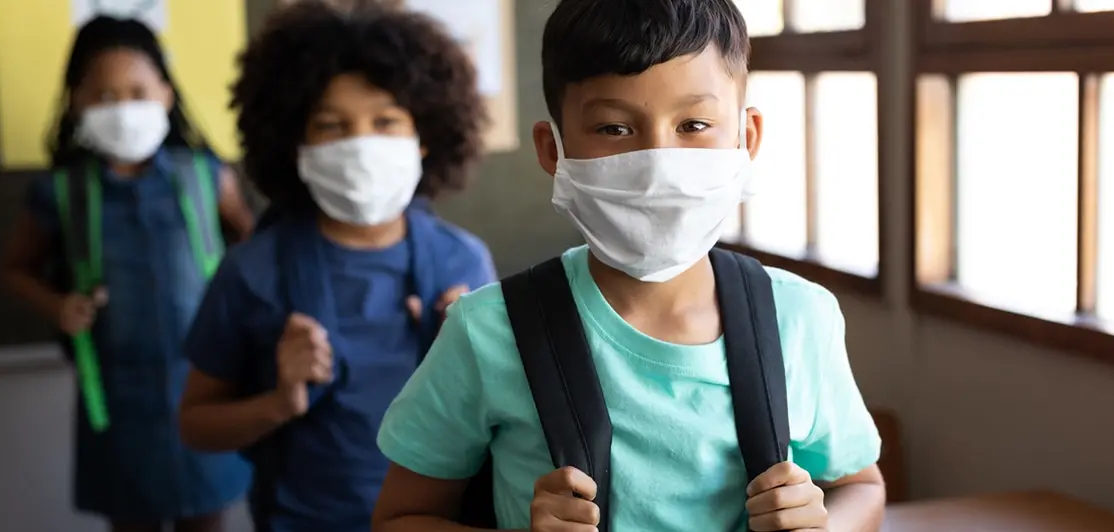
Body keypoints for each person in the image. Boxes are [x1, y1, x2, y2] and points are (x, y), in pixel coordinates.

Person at [370, 0, 887, 531]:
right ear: (554, 148)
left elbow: (861, 486)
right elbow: (401, 517)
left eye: (694, 123)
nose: (657, 164)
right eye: (615, 129)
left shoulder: (799, 317)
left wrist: (824, 524)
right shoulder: (486, 331)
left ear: (746, 138)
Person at [176, 2, 495, 531]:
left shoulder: (462, 262)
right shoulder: (252, 270)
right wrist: (278, 402)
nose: (361, 144)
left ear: (425, 136)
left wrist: (477, 366)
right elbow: (195, 425)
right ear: (295, 144)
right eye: (332, 125)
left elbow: (508, 425)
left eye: (385, 121)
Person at [0, 15, 255, 532]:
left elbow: (252, 248)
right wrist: (58, 306)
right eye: (104, 96)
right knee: (131, 519)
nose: (123, 109)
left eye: (137, 91)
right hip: (118, 402)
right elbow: (15, 268)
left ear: (166, 93)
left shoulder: (206, 176)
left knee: (207, 517)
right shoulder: (61, 191)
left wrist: (237, 307)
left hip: (205, 387)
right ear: (75, 103)